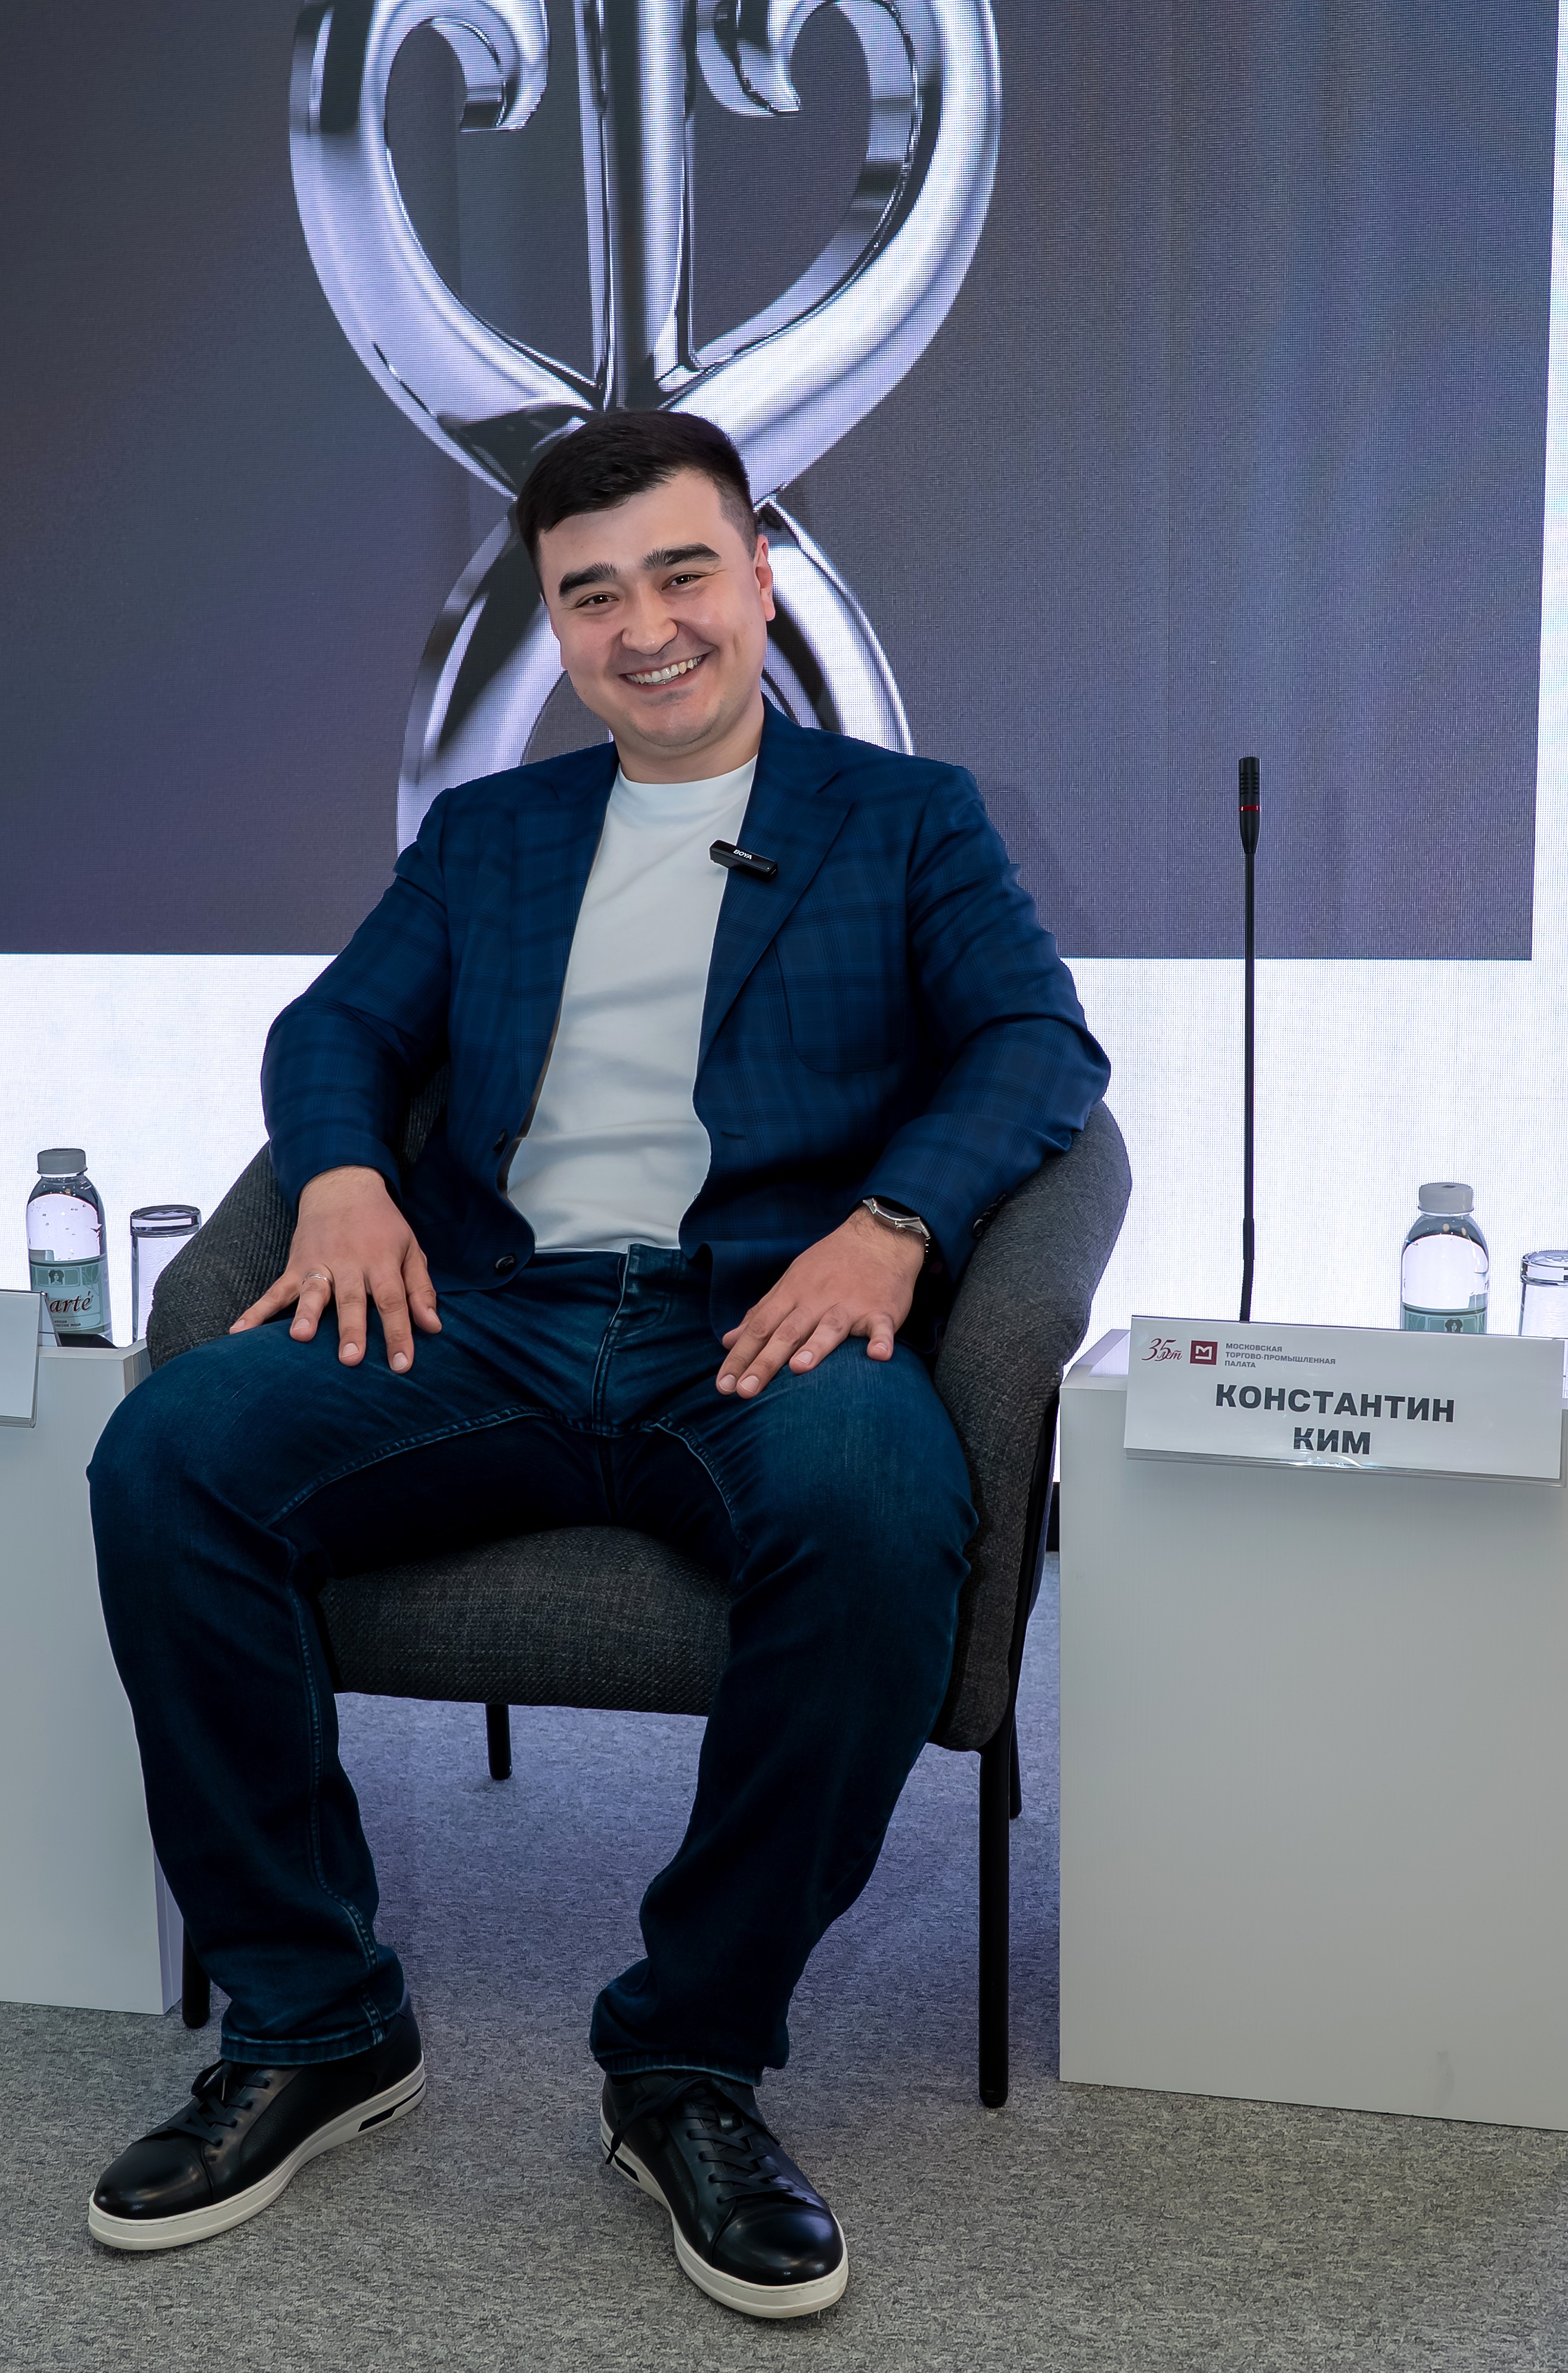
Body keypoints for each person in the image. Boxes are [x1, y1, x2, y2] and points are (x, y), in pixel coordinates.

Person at [85, 411, 1109, 2315]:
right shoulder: (489, 835)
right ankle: (313, 2015)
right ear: (553, 623)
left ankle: (686, 2057)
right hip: (492, 1313)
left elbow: (1037, 1048)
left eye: (683, 572)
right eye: (593, 593)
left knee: (881, 1504)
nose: (647, 628)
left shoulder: (908, 818)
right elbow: (335, 1030)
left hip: (764, 1316)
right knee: (171, 1453)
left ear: (762, 576)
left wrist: (894, 1223)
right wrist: (340, 1177)